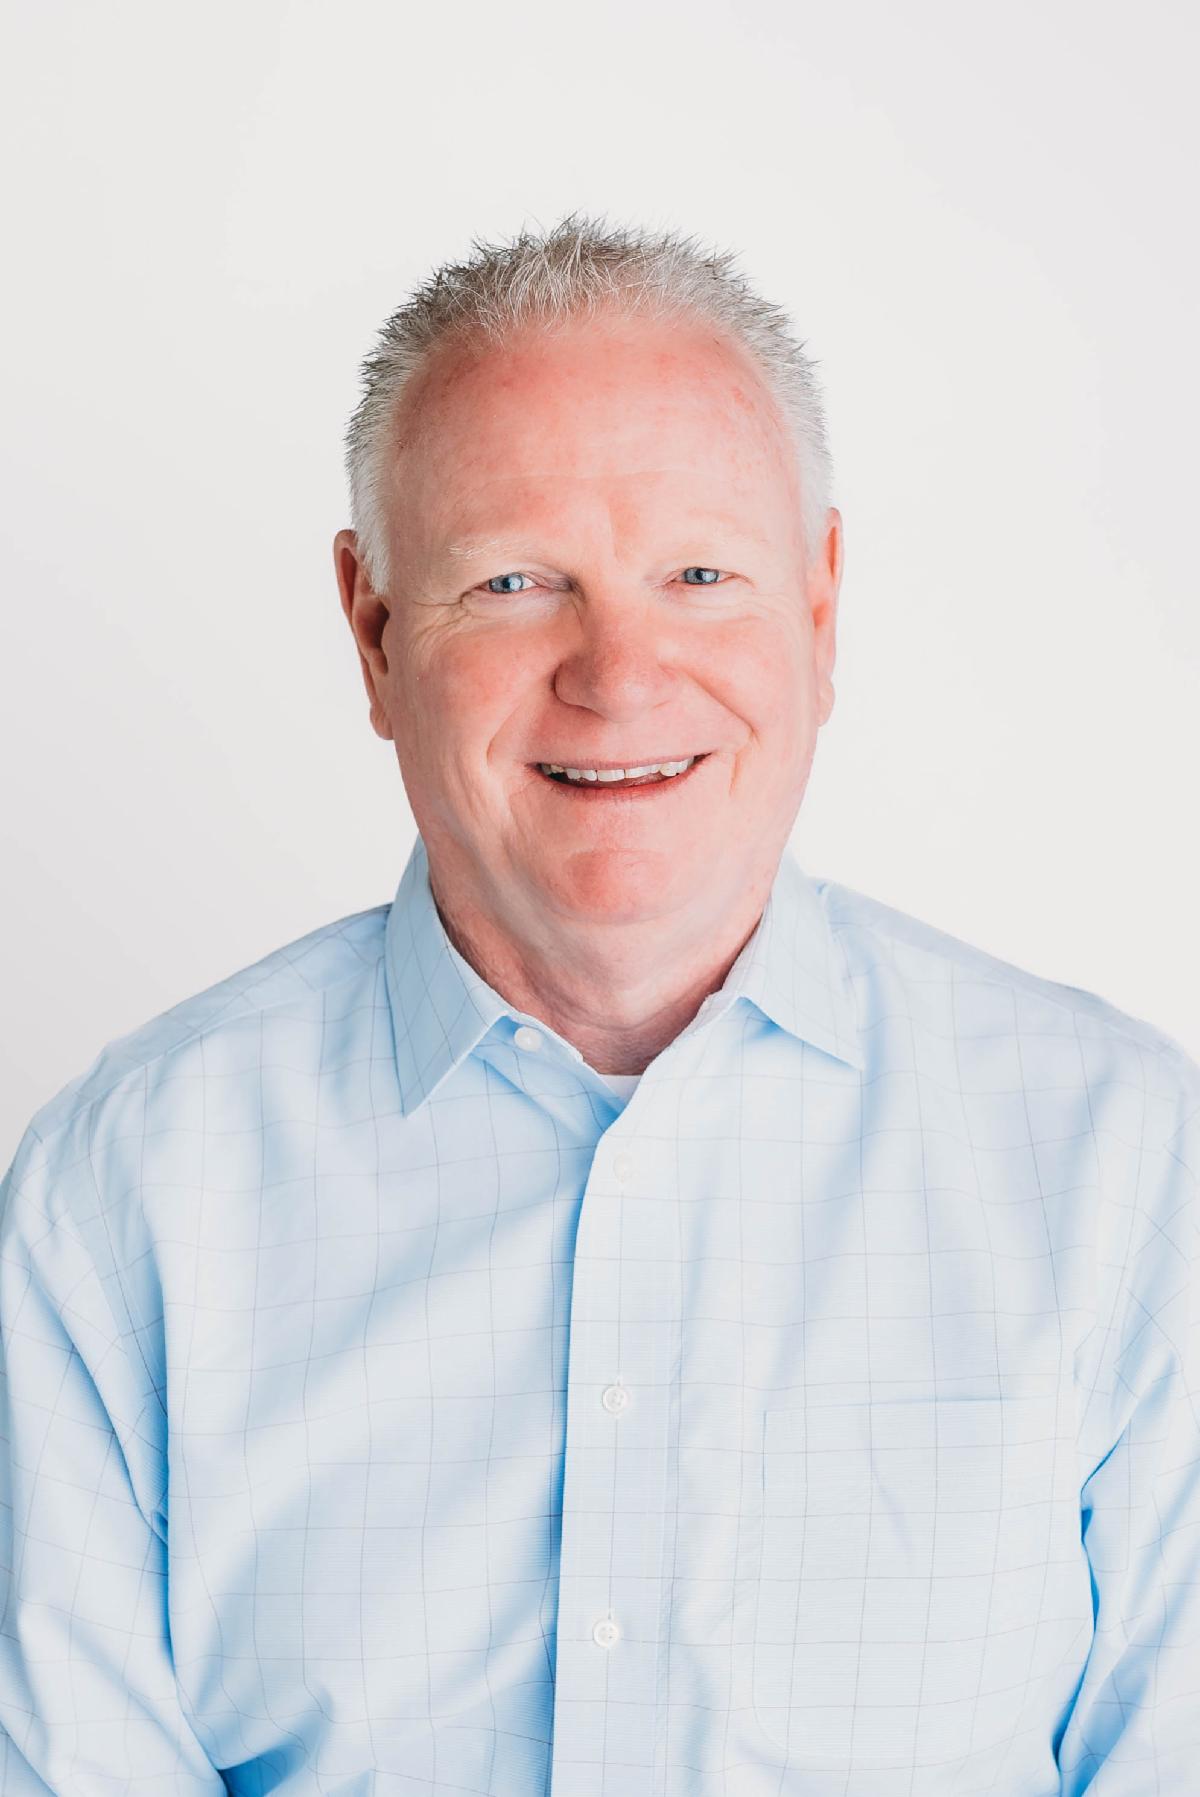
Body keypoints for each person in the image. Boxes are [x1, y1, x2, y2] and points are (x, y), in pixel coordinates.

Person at [1, 213, 1196, 1797]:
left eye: (700, 573)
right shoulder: (119, 1199)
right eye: (513, 581)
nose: (620, 673)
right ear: (373, 630)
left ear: (821, 611)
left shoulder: (1125, 1168)